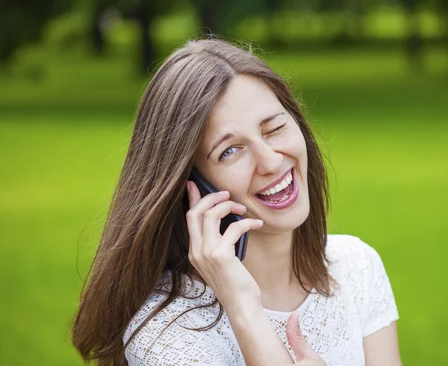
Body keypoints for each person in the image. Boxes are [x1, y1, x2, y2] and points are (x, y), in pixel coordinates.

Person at [70, 39, 402, 365]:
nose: (270, 161)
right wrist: (242, 304)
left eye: (273, 129)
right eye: (230, 151)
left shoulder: (356, 267)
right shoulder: (166, 332)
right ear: (191, 186)